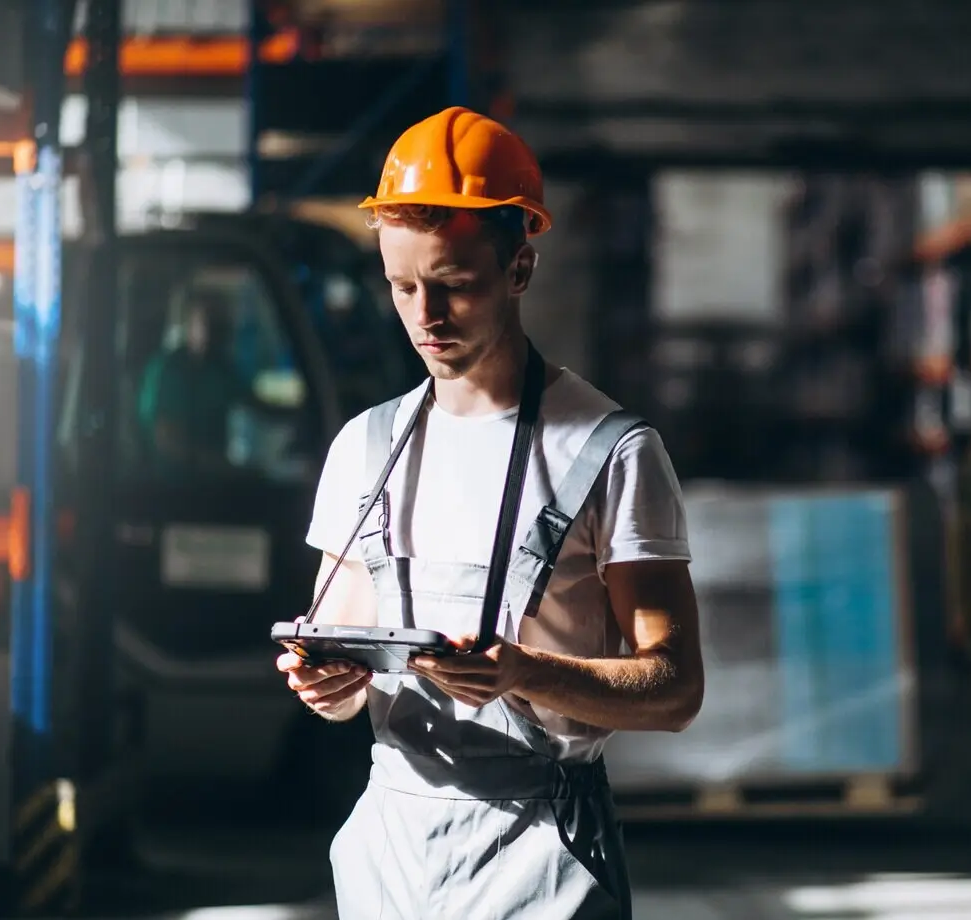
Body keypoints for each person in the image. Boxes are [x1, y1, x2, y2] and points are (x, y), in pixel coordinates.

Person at [274, 106, 705, 920]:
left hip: (540, 847)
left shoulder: (610, 453)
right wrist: (322, 682)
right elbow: (342, 676)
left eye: (455, 284)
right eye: (403, 286)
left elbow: (676, 688)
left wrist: (522, 672)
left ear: (519, 269)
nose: (426, 317)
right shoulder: (366, 448)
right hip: (392, 846)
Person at [135, 291, 246, 473]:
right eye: (207, 323)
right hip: (170, 486)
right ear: (190, 327)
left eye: (221, 326)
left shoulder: (221, 369)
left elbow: (250, 402)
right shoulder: (168, 370)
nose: (215, 332)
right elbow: (166, 440)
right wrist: (214, 464)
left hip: (215, 483)